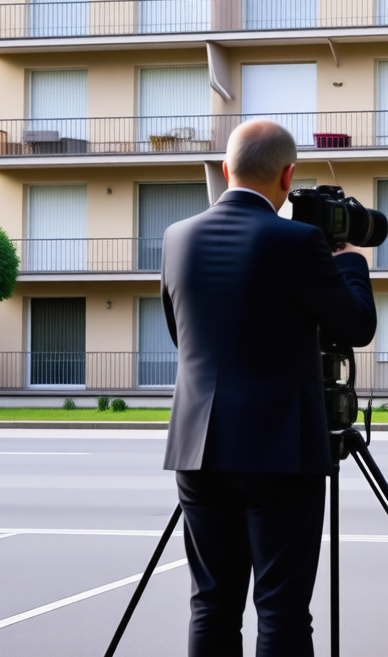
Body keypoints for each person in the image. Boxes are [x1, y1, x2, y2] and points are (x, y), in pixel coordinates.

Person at [160, 120, 376, 656]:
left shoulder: (176, 237)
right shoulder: (299, 241)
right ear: (288, 175)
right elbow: (356, 326)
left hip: (196, 448)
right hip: (279, 449)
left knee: (211, 604)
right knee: (281, 607)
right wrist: (351, 261)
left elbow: (180, 335)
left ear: (226, 169)